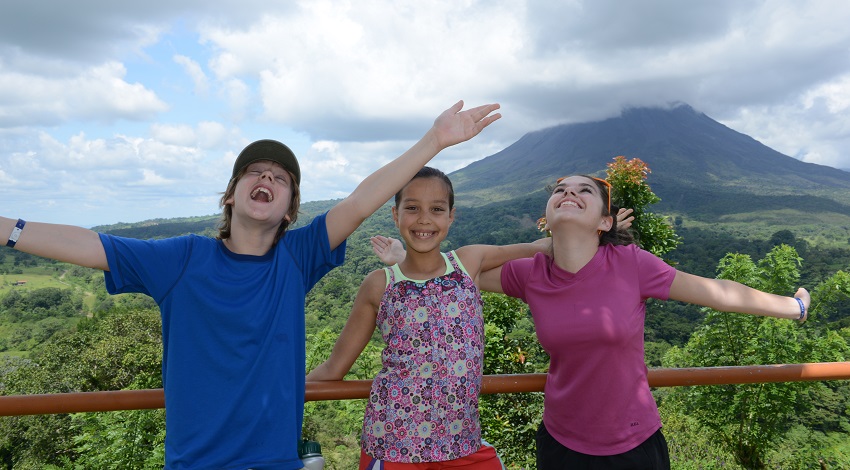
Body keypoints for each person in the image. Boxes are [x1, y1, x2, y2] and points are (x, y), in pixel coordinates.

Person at [0, 100, 501, 470]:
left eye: (280, 178)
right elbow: (94, 246)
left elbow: (361, 202)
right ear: (232, 195)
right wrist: (9, 228)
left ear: (289, 209)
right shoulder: (182, 258)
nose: (267, 177)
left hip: (278, 461)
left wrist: (434, 141)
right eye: (254, 172)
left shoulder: (296, 259)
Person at [475, 174, 810, 469]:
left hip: (632, 444)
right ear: (547, 216)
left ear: (605, 222)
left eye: (584, 191)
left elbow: (717, 292)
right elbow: (459, 270)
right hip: (560, 443)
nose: (569, 193)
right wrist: (540, 246)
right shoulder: (531, 273)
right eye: (560, 190)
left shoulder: (631, 264)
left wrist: (794, 306)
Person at [307, 166, 558, 470]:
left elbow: (540, 248)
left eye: (436, 209)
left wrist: (601, 233)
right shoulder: (378, 284)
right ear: (395, 215)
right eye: (412, 208)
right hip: (393, 443)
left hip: (463, 443)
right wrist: (281, 392)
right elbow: (335, 366)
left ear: (451, 216)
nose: (424, 219)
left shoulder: (469, 261)